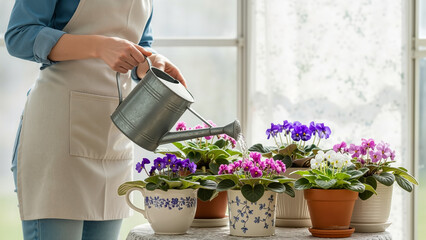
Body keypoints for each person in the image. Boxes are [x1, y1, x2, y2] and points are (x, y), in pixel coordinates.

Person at [5, 0, 186, 239]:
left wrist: (150, 65)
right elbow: (20, 35)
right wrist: (98, 46)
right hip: (57, 134)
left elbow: (140, 46)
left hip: (113, 135)